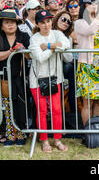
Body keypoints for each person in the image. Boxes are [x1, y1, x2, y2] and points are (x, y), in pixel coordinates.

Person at [29, 10, 72, 152]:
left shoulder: (57, 33)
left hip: (55, 77)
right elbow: (40, 57)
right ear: (38, 24)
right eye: (42, 22)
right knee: (41, 110)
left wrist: (48, 46)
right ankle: (44, 140)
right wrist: (55, 48)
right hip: (37, 79)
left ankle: (57, 139)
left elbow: (66, 45)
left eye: (48, 21)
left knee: (56, 110)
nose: (46, 25)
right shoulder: (34, 38)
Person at [0, 10, 30, 146]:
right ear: (1, 25)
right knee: (6, 107)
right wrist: (11, 51)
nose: (10, 25)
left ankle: (21, 133)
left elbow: (29, 56)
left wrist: (23, 49)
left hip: (20, 77)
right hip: (4, 78)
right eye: (7, 23)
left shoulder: (24, 36)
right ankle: (10, 135)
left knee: (20, 106)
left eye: (13, 22)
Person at [52, 10, 76, 113]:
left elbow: (68, 58)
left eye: (69, 22)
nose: (66, 22)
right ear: (57, 19)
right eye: (63, 19)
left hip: (61, 72)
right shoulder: (48, 33)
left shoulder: (68, 38)